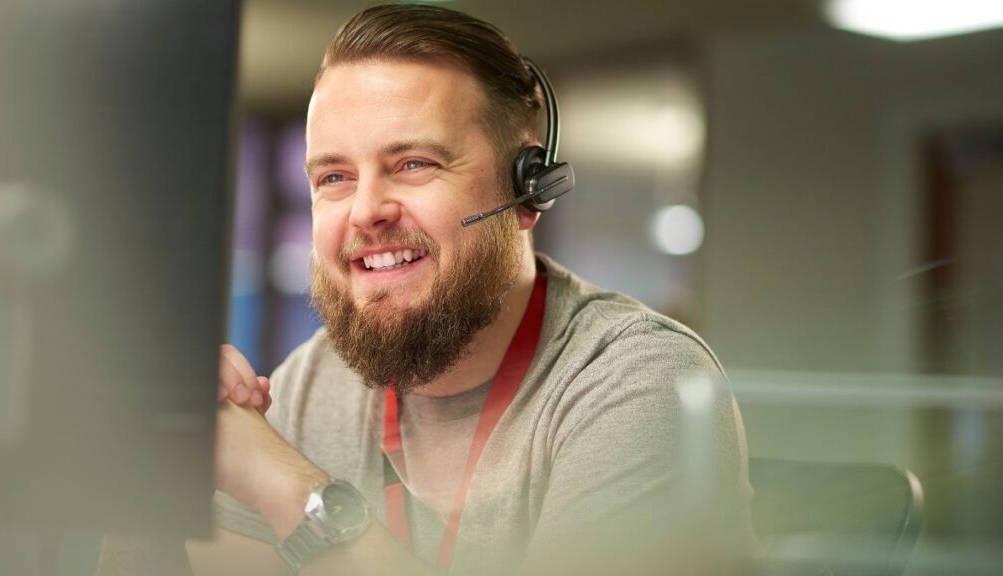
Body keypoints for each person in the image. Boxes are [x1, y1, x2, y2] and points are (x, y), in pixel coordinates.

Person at [100, 4, 755, 575]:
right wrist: (163, 447)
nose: (365, 211)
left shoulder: (637, 384)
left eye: (413, 164)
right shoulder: (310, 384)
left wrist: (284, 485)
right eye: (333, 177)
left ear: (526, 189)